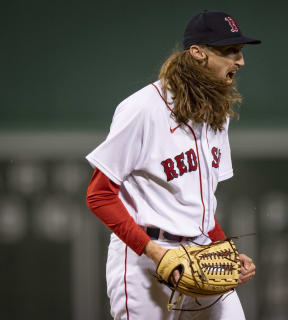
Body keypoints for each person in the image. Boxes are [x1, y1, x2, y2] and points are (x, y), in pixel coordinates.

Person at [85, 10, 261, 320]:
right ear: (198, 53)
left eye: (241, 51)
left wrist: (226, 254)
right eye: (229, 51)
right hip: (144, 258)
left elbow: (199, 206)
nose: (240, 60)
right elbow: (99, 195)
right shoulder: (142, 109)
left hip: (203, 254)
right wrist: (154, 252)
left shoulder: (216, 113)